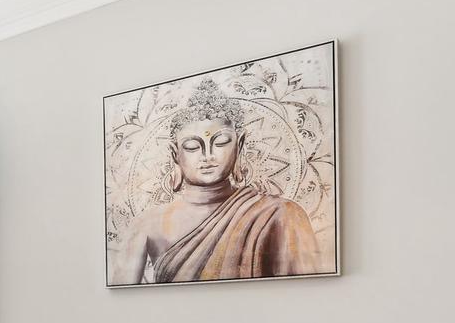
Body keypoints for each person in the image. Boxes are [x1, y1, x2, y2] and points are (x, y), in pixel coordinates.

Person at [110, 79, 320, 284]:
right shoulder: (147, 223)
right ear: (175, 153)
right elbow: (123, 293)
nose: (207, 155)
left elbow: (305, 291)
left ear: (239, 144)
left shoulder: (281, 214)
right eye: (192, 147)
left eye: (220, 142)